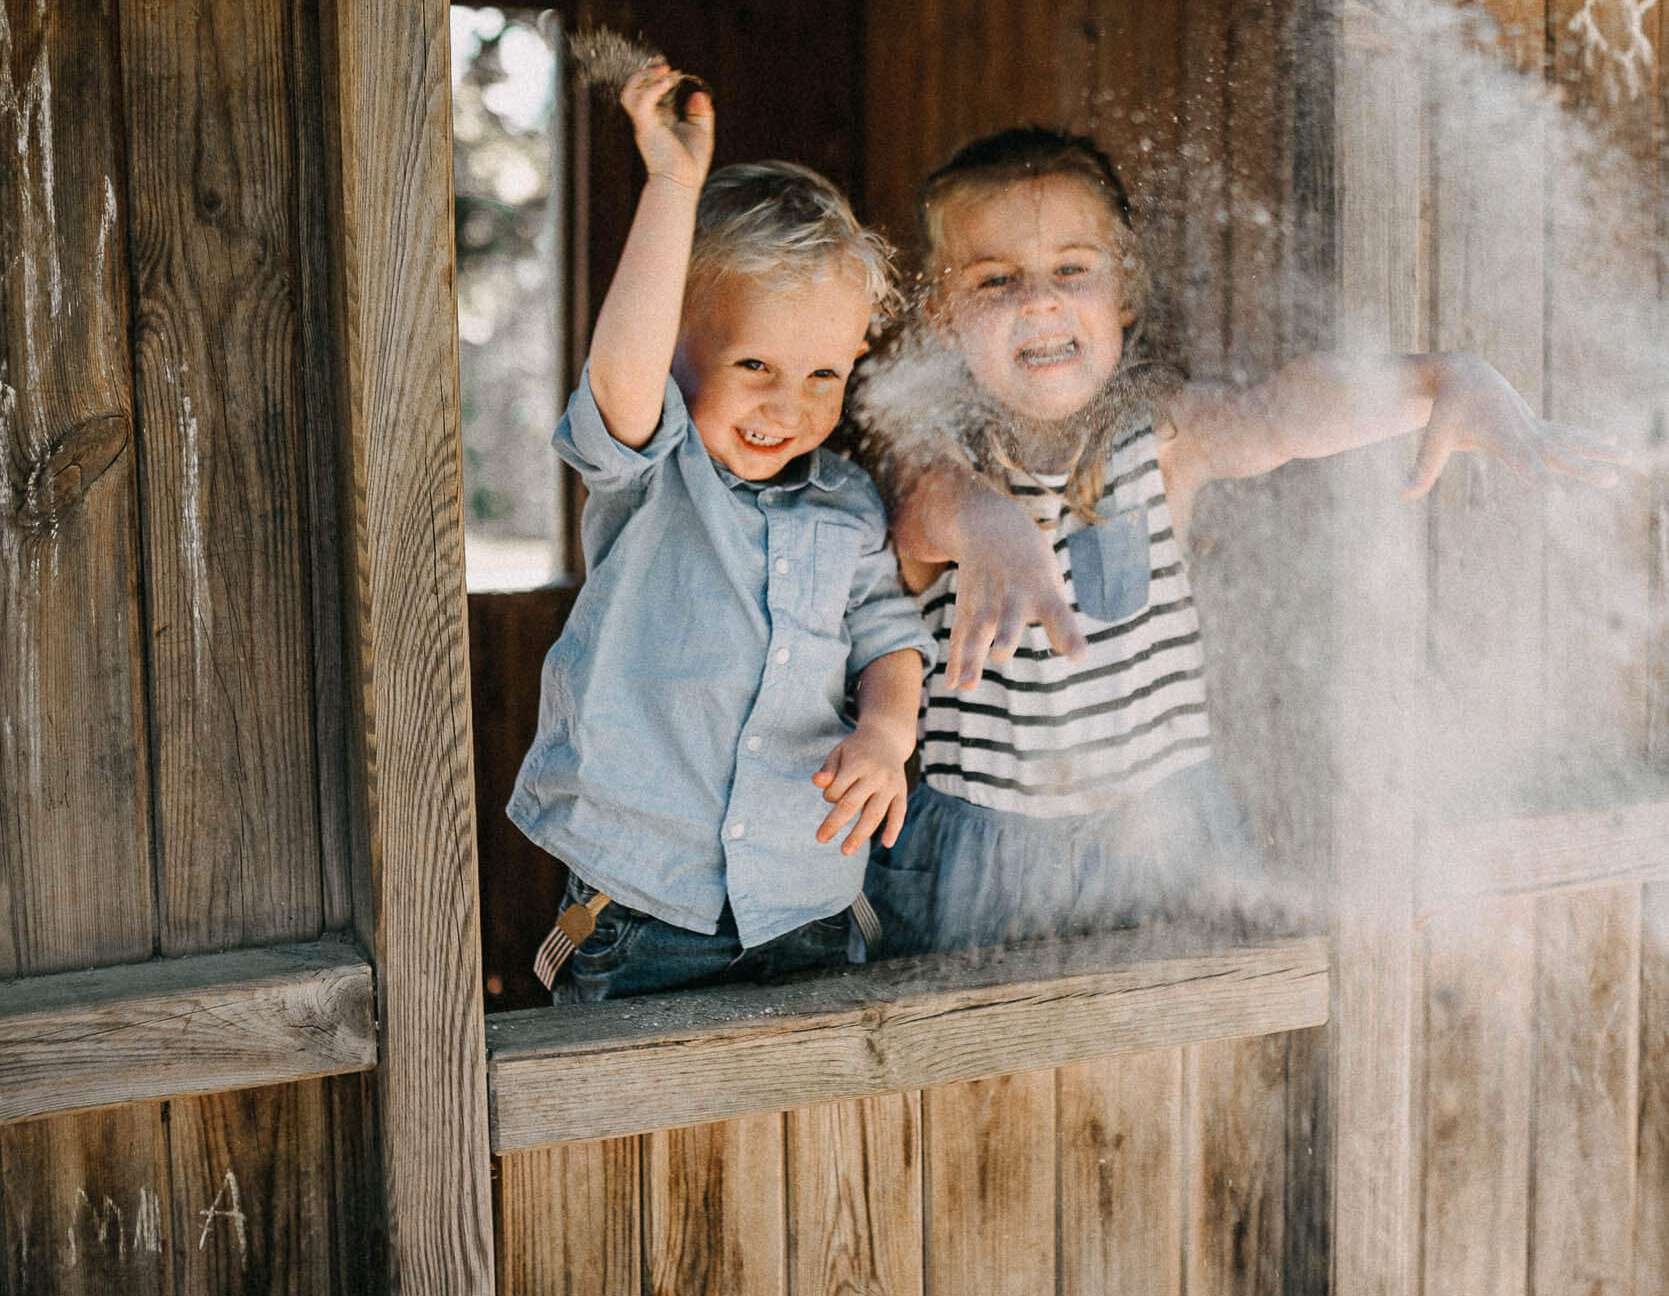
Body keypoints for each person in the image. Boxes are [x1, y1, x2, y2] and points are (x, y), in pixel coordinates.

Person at [859, 124, 1624, 953]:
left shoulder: (1163, 435)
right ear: (941, 316)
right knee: (981, 1037)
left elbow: (1281, 412)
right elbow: (927, 505)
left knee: (1194, 1026)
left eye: (1071, 270)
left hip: (1165, 828)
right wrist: (990, 523)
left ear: (1123, 294)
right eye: (995, 279)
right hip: (984, 854)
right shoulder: (930, 447)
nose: (1038, 300)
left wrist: (1441, 380)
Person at [508, 61, 931, 1001]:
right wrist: (671, 182)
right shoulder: (651, 474)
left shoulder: (849, 502)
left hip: (811, 900)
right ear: (675, 346)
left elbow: (888, 635)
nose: (789, 405)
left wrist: (885, 732)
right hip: (644, 906)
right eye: (753, 365)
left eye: (823, 375)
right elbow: (623, 373)